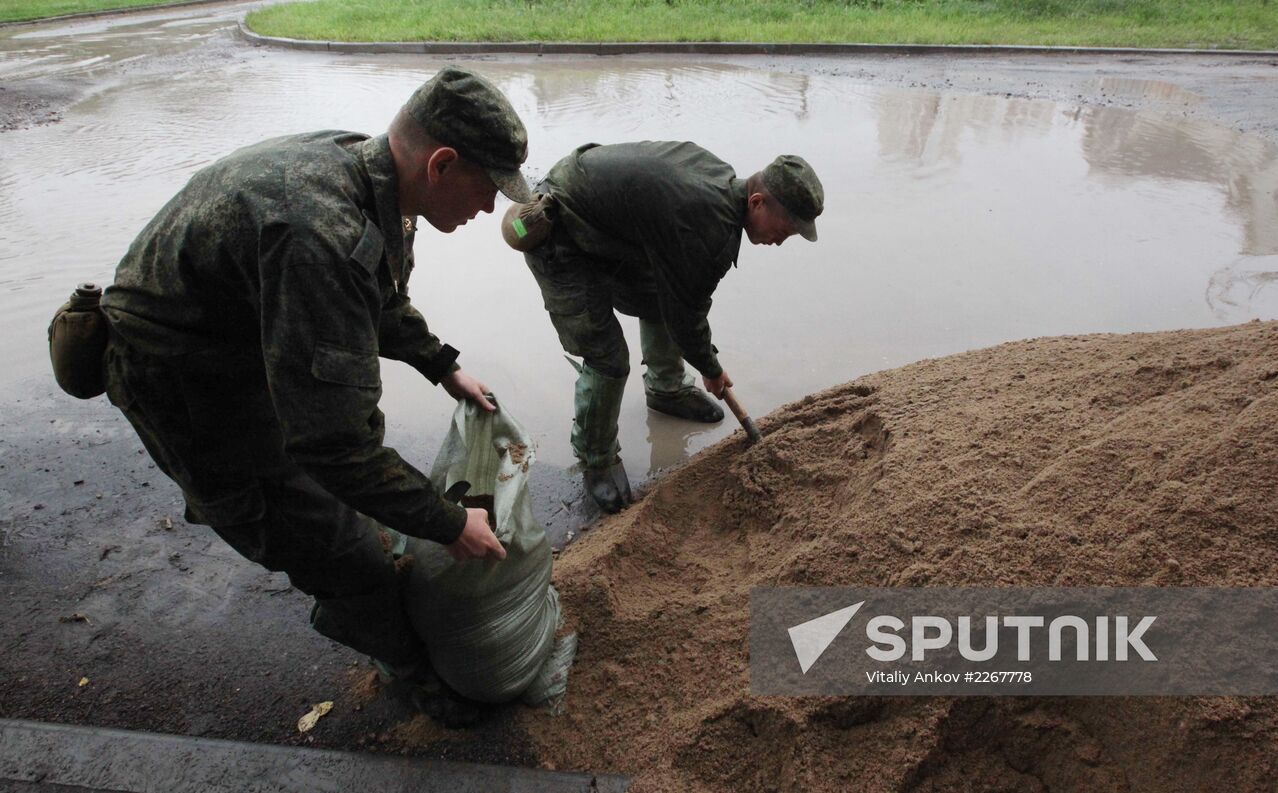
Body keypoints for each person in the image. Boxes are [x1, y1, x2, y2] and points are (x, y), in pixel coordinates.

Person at [99, 66, 530, 725]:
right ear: (442, 164)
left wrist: (439, 363)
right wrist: (448, 524)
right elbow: (331, 445)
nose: (491, 208)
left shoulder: (373, 174)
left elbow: (374, 291)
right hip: (183, 379)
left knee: (350, 494)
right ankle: (410, 670)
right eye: (489, 188)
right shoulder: (317, 233)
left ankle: (374, 571)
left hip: (244, 336)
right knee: (327, 541)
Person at [518, 141, 823, 512]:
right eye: (785, 230)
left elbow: (677, 296)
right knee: (607, 357)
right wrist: (711, 369)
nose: (780, 242)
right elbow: (687, 315)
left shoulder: (722, 181)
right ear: (757, 202)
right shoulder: (708, 228)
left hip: (606, 221)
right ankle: (595, 457)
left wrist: (705, 360)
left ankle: (666, 389)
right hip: (557, 228)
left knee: (656, 292)